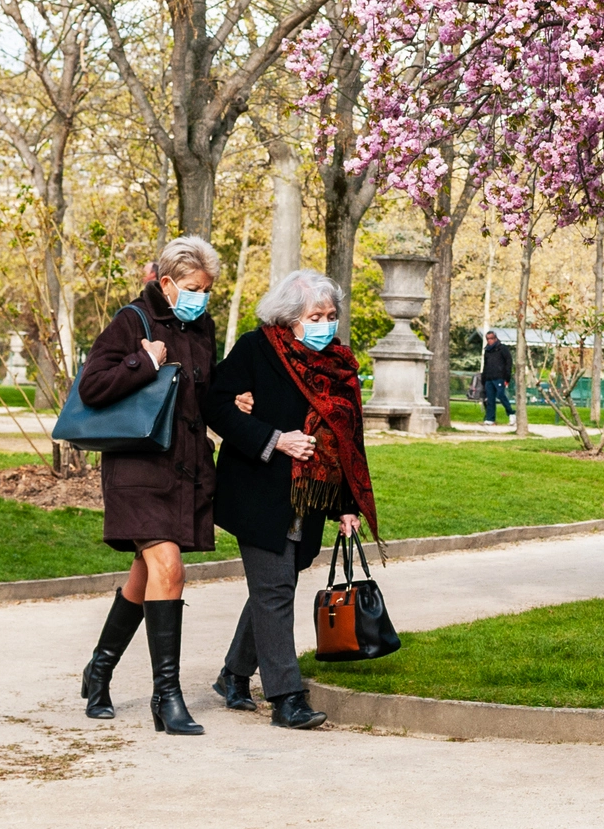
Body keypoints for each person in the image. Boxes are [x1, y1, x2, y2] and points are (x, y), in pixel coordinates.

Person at [203, 268, 379, 731]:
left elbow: (346, 440)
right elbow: (215, 404)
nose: (325, 323)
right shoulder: (256, 349)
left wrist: (346, 504)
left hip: (312, 496)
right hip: (258, 490)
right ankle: (287, 698)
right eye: (315, 315)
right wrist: (274, 439)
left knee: (275, 588)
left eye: (330, 315)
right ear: (289, 317)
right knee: (276, 588)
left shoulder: (340, 364)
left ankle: (233, 675)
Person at [74, 235, 221, 735]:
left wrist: (234, 404)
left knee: (148, 574)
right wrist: (146, 361)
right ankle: (168, 697)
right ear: (166, 283)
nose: (202, 296)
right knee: (169, 568)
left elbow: (206, 392)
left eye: (207, 289)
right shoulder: (130, 321)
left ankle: (99, 670)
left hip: (183, 469)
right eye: (194, 287)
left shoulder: (202, 326)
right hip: (137, 469)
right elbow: (92, 387)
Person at [479, 330, 514, 425]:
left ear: (495, 338)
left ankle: (511, 413)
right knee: (490, 399)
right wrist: (484, 378)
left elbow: (509, 363)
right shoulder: (487, 350)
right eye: (488, 339)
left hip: (500, 377)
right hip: (489, 378)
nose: (489, 341)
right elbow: (486, 365)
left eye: (491, 338)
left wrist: (507, 377)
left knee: (501, 395)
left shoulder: (502, 349)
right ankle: (490, 418)